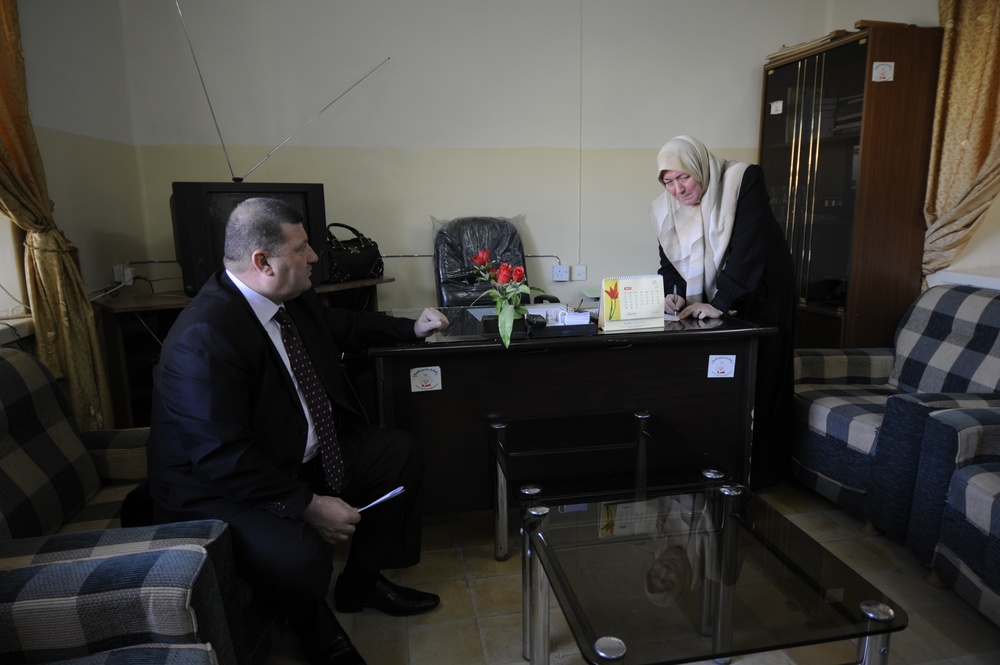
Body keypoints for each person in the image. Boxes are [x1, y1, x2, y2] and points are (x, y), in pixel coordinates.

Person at [146, 197, 449, 665]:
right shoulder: (205, 337)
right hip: (218, 488)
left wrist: (412, 327)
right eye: (302, 247)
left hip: (288, 458)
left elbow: (344, 325)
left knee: (399, 454)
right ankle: (315, 629)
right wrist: (307, 505)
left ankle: (361, 582)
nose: (315, 257)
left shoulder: (290, 299)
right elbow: (223, 459)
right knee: (304, 555)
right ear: (262, 262)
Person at [650, 135, 795, 488]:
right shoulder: (663, 208)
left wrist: (718, 302)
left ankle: (759, 475)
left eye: (683, 177)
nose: (678, 190)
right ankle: (715, 467)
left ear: (699, 166)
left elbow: (749, 248)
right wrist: (676, 296)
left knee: (762, 376)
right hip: (721, 296)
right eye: (668, 182)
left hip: (763, 289)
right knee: (721, 381)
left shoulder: (741, 180)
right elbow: (670, 263)